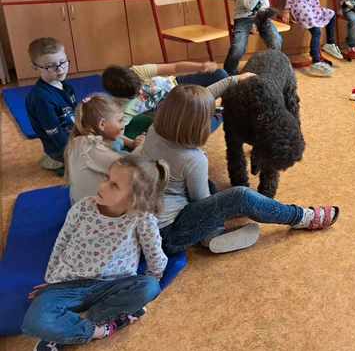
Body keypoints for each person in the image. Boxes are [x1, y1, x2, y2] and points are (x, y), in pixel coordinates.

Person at [136, 85, 339, 255]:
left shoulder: (155, 130)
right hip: (169, 235)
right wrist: (232, 204)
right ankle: (300, 217)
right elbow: (203, 202)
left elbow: (187, 102)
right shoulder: (193, 160)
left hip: (147, 223)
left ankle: (211, 236)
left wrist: (232, 80)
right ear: (197, 125)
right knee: (240, 196)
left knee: (207, 184)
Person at [21, 155, 170, 351]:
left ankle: (72, 329)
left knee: (149, 287)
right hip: (69, 285)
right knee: (35, 320)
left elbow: (154, 254)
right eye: (107, 178)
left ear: (134, 199)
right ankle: (98, 329)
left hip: (110, 285)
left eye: (114, 185)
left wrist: (151, 278)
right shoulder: (83, 207)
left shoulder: (142, 218)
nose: (102, 185)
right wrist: (52, 282)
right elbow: (61, 243)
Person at [102, 60, 236, 135]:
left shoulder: (137, 71)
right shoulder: (121, 107)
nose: (140, 92)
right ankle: (221, 113)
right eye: (135, 94)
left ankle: (218, 107)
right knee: (196, 130)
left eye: (140, 86)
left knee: (220, 74)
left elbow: (175, 67)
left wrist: (201, 66)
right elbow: (116, 133)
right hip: (171, 110)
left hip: (178, 84)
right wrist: (132, 143)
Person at [64, 94, 142, 204]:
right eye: (120, 120)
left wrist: (131, 143)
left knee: (117, 142)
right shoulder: (92, 148)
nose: (123, 124)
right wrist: (140, 147)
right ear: (102, 124)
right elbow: (129, 167)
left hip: (76, 199)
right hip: (94, 207)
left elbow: (117, 136)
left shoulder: (80, 139)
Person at [25, 37, 77, 173]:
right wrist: (73, 153)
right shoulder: (41, 98)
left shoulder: (66, 86)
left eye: (63, 62)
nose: (60, 69)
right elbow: (55, 133)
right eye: (50, 66)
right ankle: (53, 161)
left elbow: (75, 114)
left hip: (74, 137)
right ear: (35, 67)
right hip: (61, 149)